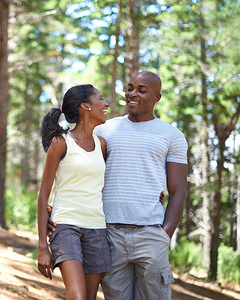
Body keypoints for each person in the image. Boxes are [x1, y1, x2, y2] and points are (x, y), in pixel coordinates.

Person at [48, 71, 188, 300]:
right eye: (130, 88)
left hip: (151, 234)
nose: (132, 94)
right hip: (109, 234)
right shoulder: (104, 130)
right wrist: (54, 205)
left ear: (157, 97)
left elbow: (178, 190)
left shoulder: (172, 136)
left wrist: (165, 235)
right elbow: (82, 172)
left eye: (142, 90)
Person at [37, 84, 111, 300]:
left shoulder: (102, 145)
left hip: (97, 229)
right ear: (85, 106)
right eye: (100, 99)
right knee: (77, 297)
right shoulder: (61, 143)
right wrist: (43, 246)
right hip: (66, 227)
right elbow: (43, 195)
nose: (106, 104)